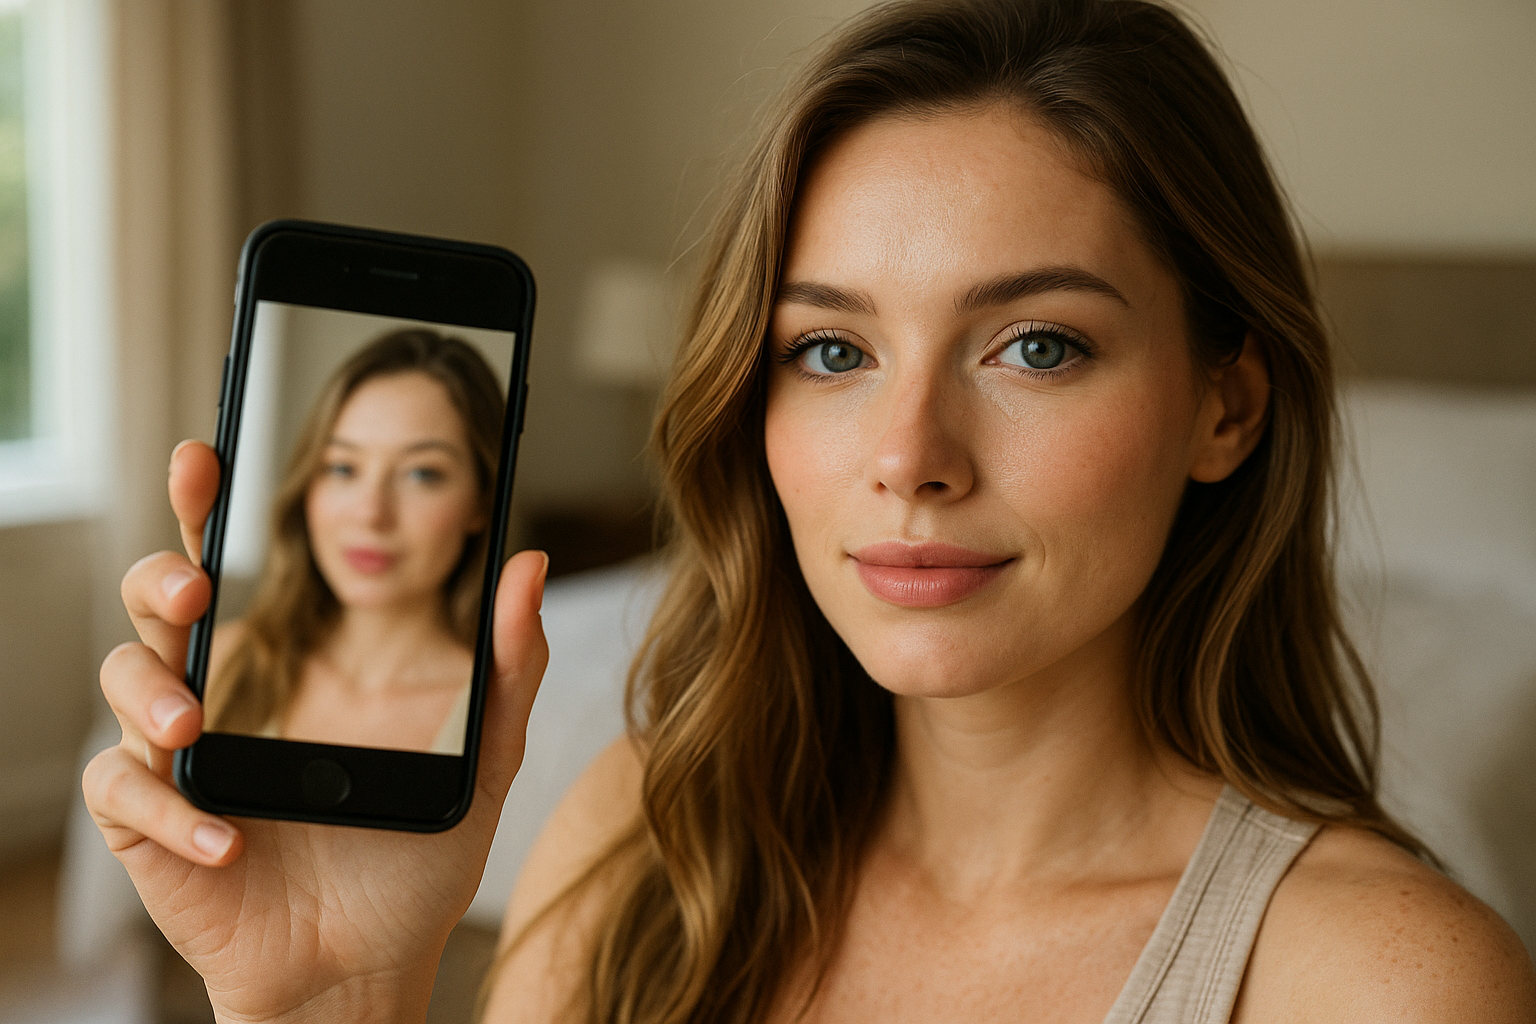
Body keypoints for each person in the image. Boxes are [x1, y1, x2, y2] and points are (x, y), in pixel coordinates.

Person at [87, 0, 1536, 1021]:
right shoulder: (640, 845)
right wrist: (335, 1004)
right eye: (831, 352)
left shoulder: (1378, 981)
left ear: (1227, 405)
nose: (909, 456)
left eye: (1036, 345)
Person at [205, 328, 504, 754]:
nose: (371, 513)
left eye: (422, 473)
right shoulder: (224, 661)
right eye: (342, 468)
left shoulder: (503, 716)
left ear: (481, 502)